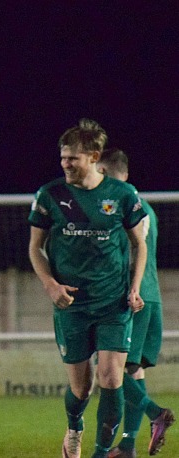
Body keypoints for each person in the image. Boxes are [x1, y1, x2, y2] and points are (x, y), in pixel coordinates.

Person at [28, 119, 147, 458]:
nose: (65, 164)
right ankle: (75, 427)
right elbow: (35, 247)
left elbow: (140, 244)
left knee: (111, 379)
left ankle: (99, 452)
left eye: (73, 158)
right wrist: (50, 285)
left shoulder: (122, 195)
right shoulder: (50, 195)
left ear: (94, 157)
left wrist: (135, 288)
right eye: (63, 158)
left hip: (113, 304)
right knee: (81, 388)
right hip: (72, 306)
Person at [96, 148, 175, 458]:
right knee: (133, 370)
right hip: (150, 296)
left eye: (102, 172)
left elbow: (132, 253)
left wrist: (131, 290)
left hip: (133, 297)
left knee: (104, 367)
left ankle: (155, 412)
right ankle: (128, 446)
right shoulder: (147, 208)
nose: (100, 179)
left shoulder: (122, 206)